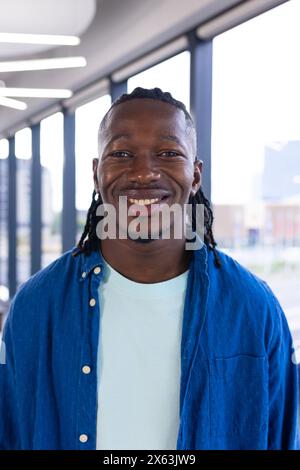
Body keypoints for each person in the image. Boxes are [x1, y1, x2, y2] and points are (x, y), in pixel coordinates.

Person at [0, 87, 298, 450]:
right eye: (122, 153)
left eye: (168, 153)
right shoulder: (38, 305)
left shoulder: (252, 306)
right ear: (97, 174)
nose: (144, 173)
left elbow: (283, 436)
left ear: (196, 175)